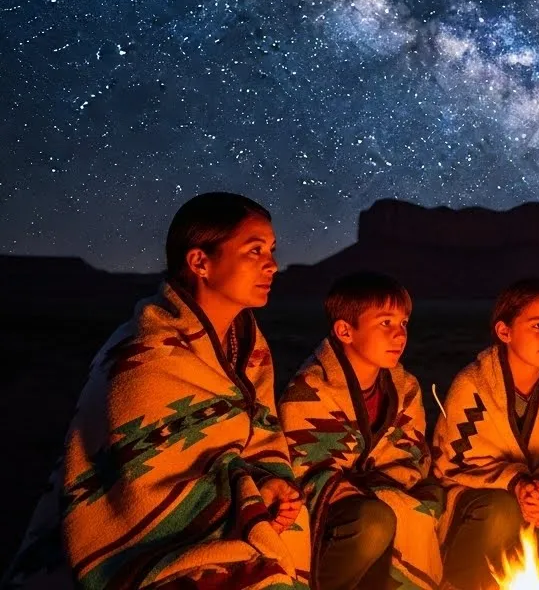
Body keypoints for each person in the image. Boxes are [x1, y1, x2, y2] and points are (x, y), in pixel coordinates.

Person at [2, 193, 311, 589]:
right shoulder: (144, 354)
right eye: (255, 250)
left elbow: (262, 437)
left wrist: (269, 481)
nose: (272, 264)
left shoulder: (252, 350)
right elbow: (138, 487)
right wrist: (249, 494)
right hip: (141, 543)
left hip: (236, 505)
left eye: (271, 250)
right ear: (200, 262)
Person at [280, 271, 443, 589]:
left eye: (404, 323)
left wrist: (372, 486)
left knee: (430, 499)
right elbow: (308, 465)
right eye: (385, 323)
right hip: (331, 510)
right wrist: (359, 489)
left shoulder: (405, 388)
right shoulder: (311, 389)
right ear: (345, 331)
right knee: (374, 519)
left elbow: (412, 455)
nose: (399, 335)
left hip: (380, 491)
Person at [433, 278, 539, 589]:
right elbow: (452, 464)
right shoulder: (473, 385)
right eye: (538, 326)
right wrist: (516, 483)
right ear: (504, 332)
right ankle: (464, 581)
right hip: (482, 499)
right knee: (501, 511)